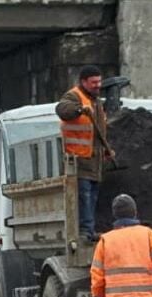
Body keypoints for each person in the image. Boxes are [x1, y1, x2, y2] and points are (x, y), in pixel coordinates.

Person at [56, 65, 115, 243]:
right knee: (84, 196)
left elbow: (97, 133)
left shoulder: (96, 102)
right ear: (83, 82)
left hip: (94, 161)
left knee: (92, 197)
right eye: (94, 82)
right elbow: (62, 109)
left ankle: (89, 230)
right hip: (79, 159)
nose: (98, 85)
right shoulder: (74, 97)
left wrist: (106, 150)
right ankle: (84, 231)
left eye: (99, 81)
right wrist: (79, 110)